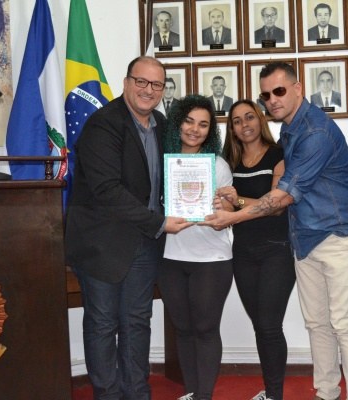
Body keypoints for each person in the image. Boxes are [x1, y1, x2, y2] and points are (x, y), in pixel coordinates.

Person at [203, 61, 348, 400]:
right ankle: (326, 392)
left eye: (279, 91)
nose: (273, 100)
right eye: (266, 95)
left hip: (338, 235)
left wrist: (232, 217)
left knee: (344, 323)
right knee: (317, 323)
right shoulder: (290, 131)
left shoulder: (316, 132)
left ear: (298, 89)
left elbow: (283, 196)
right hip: (304, 239)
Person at [64, 56, 192, 400]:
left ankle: (137, 392)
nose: (148, 90)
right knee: (103, 323)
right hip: (102, 244)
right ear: (126, 83)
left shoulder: (162, 124)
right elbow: (107, 190)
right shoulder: (103, 124)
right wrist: (159, 222)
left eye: (157, 84)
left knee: (137, 321)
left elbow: (178, 171)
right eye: (141, 81)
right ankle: (107, 394)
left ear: (163, 90)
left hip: (145, 242)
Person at [157, 94, 234, 400]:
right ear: (177, 123)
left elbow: (228, 215)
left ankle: (204, 396)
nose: (195, 129)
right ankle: (192, 393)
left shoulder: (218, 165)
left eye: (203, 124)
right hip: (170, 257)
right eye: (189, 121)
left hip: (211, 259)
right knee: (183, 329)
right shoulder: (163, 162)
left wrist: (222, 207)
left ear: (210, 131)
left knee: (205, 328)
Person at [219, 99, 296, 400]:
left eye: (249, 117)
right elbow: (226, 205)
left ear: (260, 120)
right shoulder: (228, 161)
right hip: (243, 252)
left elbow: (276, 206)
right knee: (261, 326)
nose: (244, 125)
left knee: (269, 325)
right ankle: (270, 391)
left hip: (277, 250)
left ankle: (274, 394)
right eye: (237, 121)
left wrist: (237, 201)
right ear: (232, 129)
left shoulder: (278, 155)